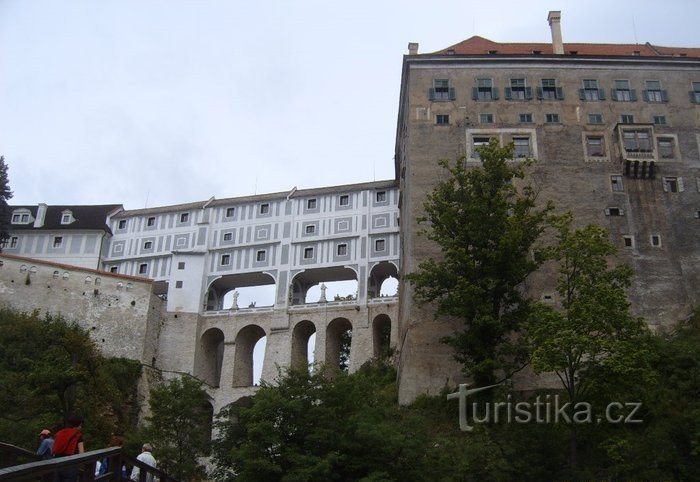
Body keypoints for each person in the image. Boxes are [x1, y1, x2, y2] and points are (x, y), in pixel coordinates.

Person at [52, 414, 85, 482]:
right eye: (80, 425)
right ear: (77, 425)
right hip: (70, 465)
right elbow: (82, 453)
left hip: (57, 464)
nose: (81, 427)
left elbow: (54, 449)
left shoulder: (59, 433)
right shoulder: (78, 435)